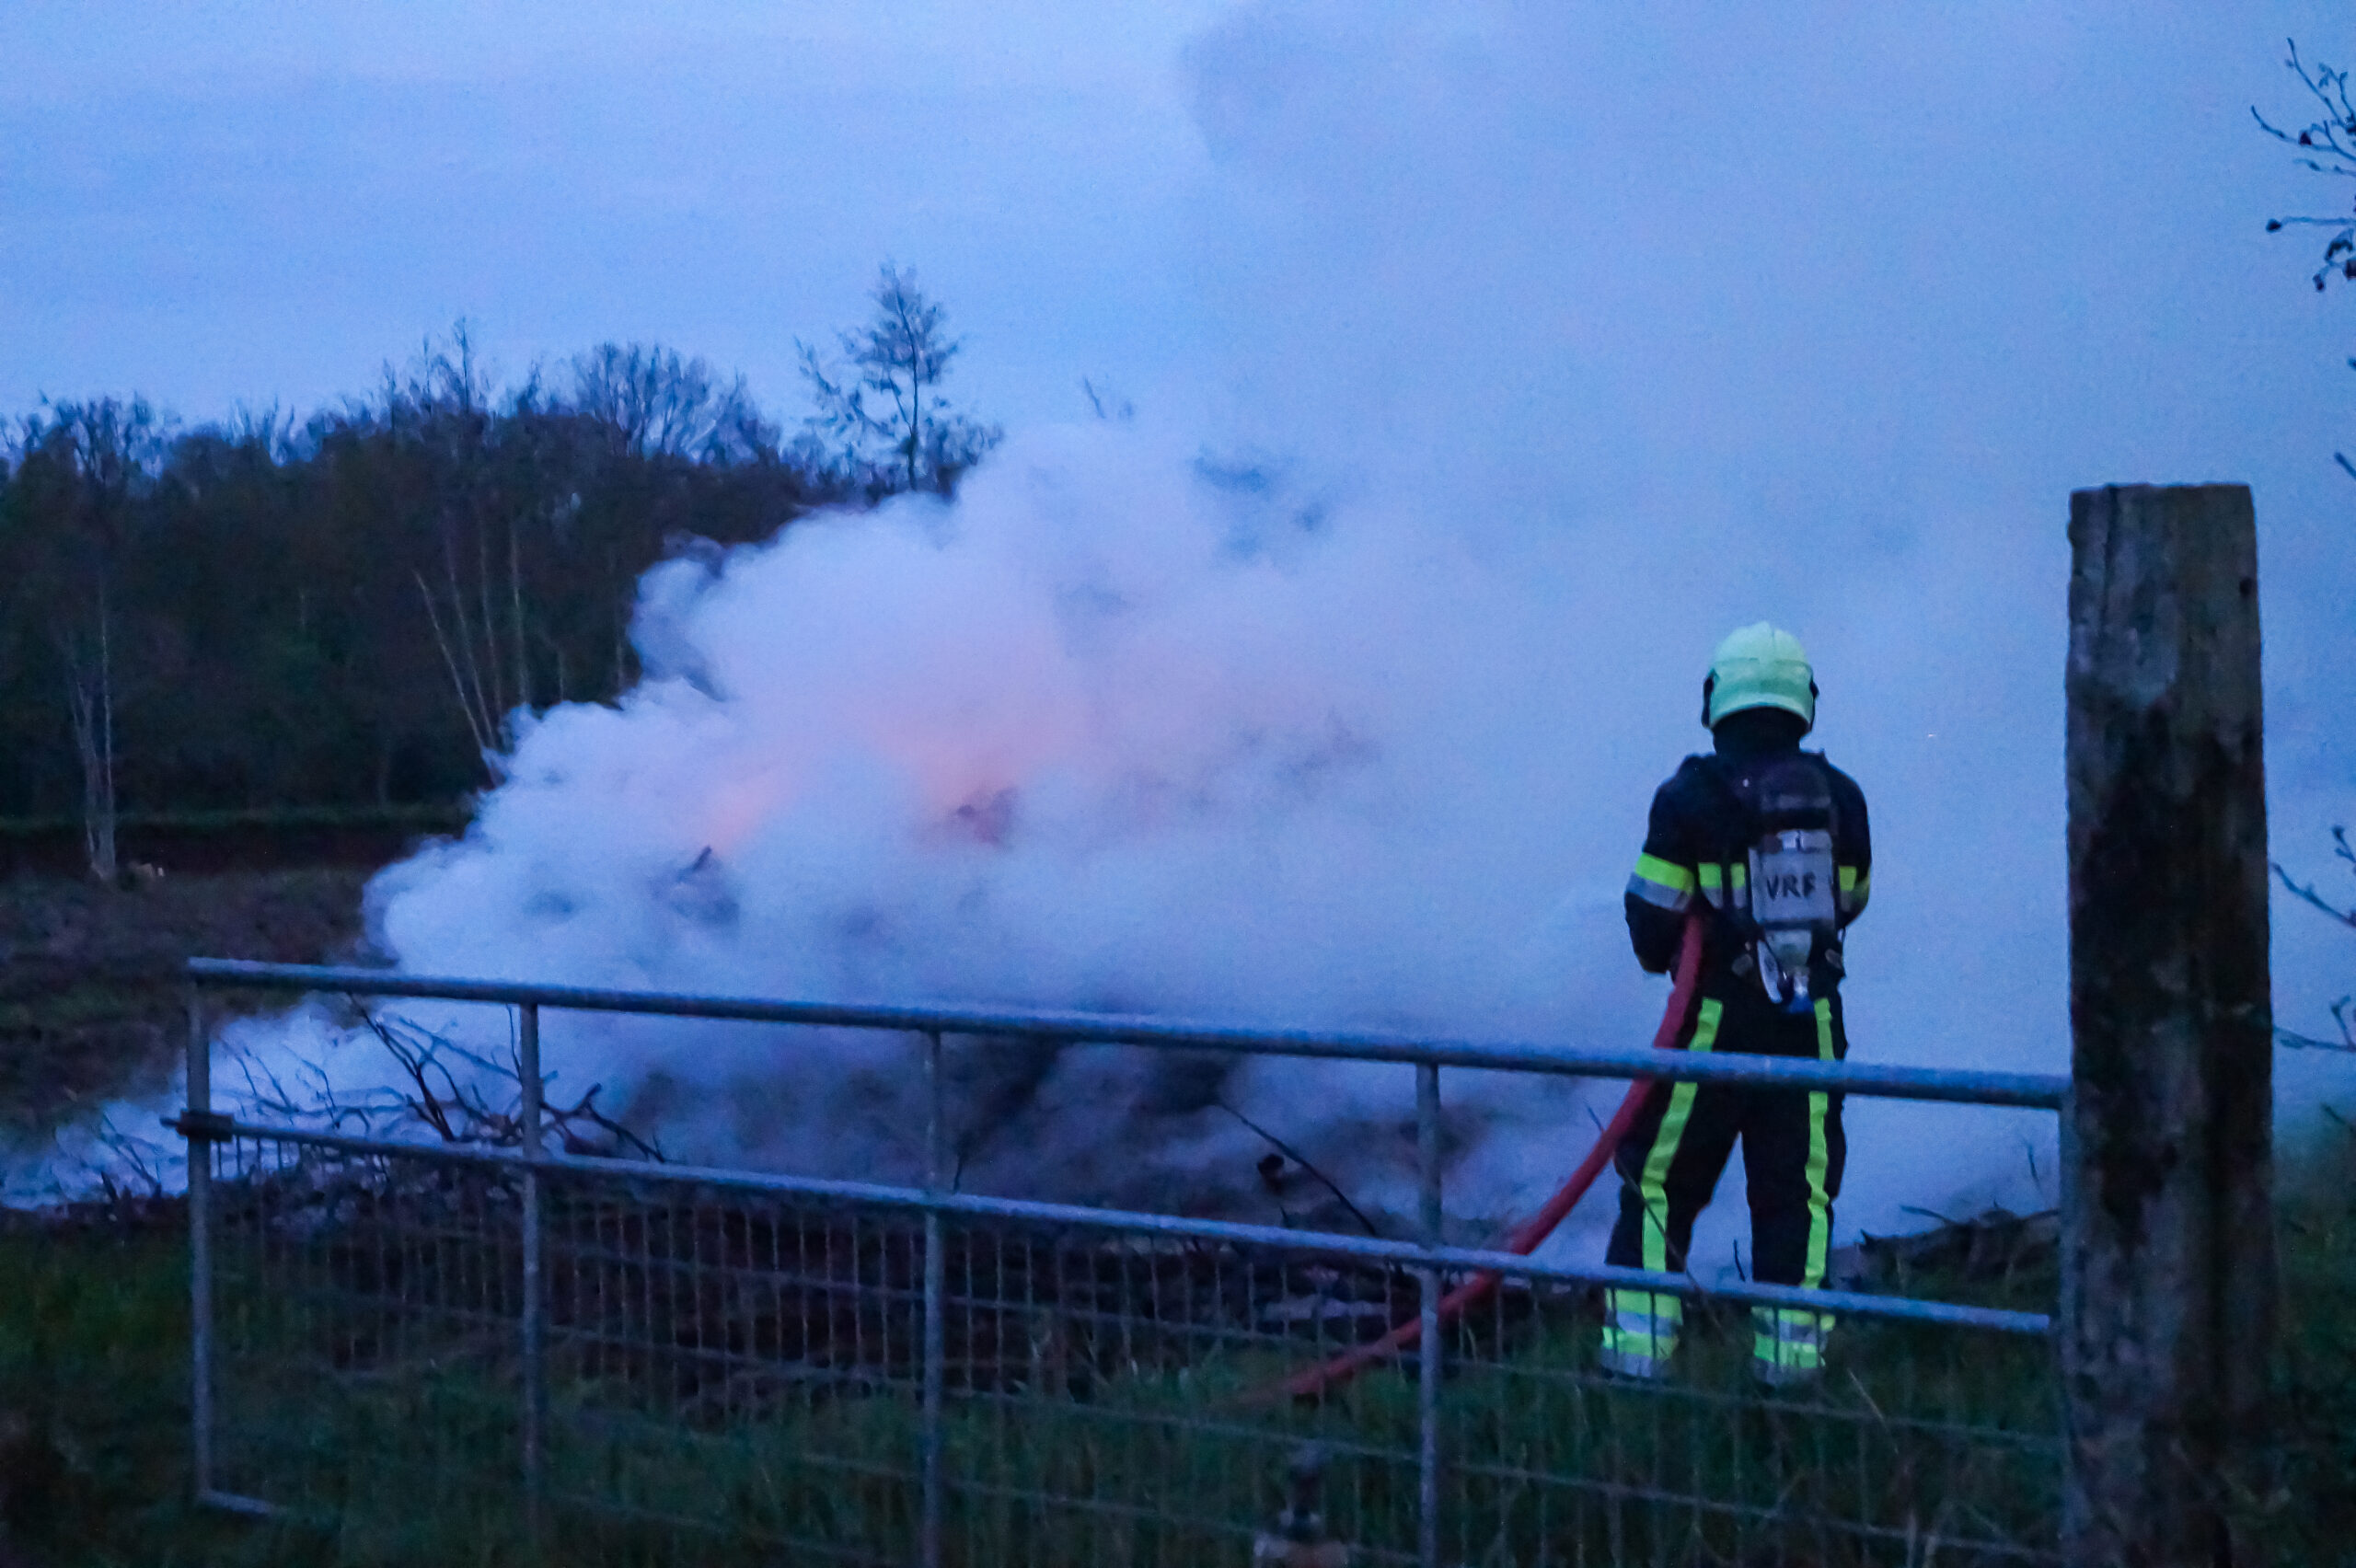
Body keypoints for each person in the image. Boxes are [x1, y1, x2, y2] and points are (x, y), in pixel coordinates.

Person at [1600, 623, 1871, 1386]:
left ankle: (1636, 1366)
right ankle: (1792, 1372)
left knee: (1661, 1185)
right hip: (1811, 1022)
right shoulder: (1841, 797)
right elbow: (1852, 899)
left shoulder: (1690, 797)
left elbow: (1652, 920)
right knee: (1799, 1196)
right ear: (1802, 701)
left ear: (1716, 700)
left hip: (1713, 1022)